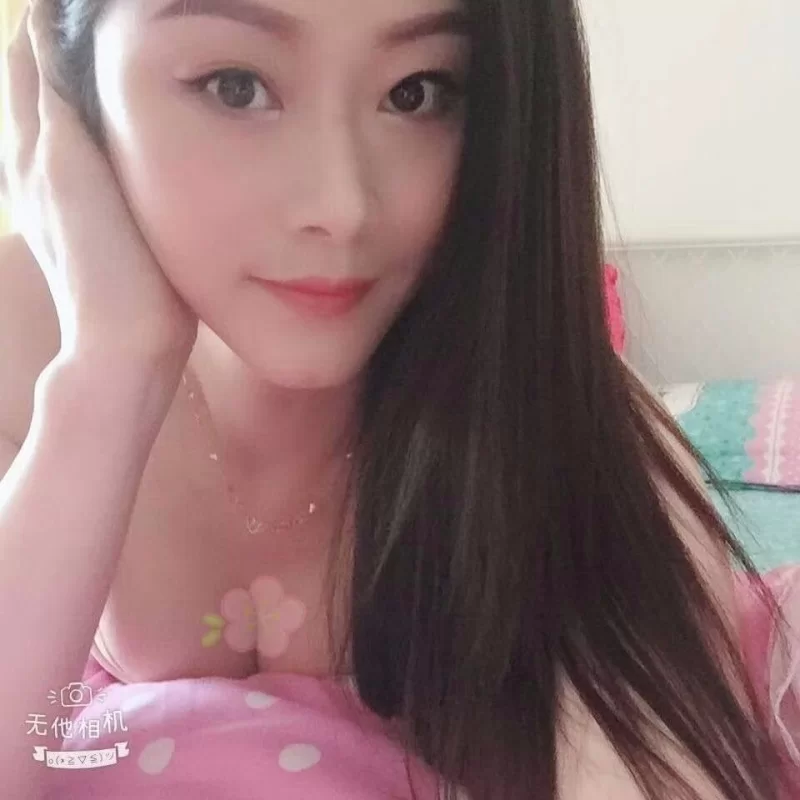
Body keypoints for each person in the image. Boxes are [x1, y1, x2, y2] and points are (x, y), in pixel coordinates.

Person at [0, 0, 798, 797]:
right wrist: (110, 373)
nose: (342, 206)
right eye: (234, 85)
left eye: (417, 92)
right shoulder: (18, 338)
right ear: (67, 86)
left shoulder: (566, 430)